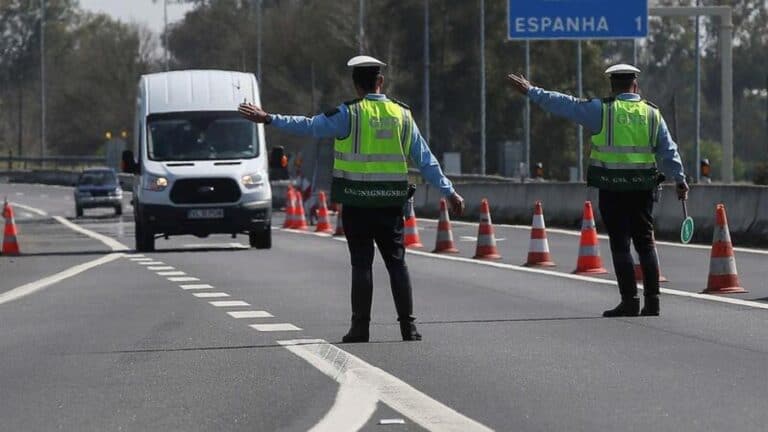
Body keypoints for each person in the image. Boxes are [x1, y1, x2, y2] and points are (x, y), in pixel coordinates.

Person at [238, 55, 465, 341]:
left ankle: (360, 328)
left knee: (361, 264)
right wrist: (449, 192)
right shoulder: (402, 114)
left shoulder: (349, 114)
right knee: (397, 263)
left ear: (356, 85)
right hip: (390, 204)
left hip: (357, 204)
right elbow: (425, 159)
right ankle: (408, 327)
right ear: (380, 81)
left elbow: (309, 126)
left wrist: (269, 118)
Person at [507, 64, 689, 317]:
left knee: (620, 244)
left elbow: (565, 104)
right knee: (646, 243)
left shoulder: (602, 110)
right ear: (635, 86)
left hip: (612, 187)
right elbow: (669, 150)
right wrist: (680, 180)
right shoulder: (652, 114)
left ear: (612, 87)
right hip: (643, 189)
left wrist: (532, 91)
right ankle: (653, 302)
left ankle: (629, 301)